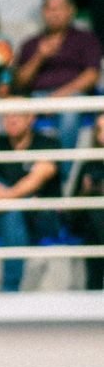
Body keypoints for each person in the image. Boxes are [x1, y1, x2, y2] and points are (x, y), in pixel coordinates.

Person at [0, 111, 62, 293]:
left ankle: (9, 289)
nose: (11, 120)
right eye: (7, 115)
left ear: (31, 118)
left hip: (41, 218)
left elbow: (37, 179)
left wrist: (7, 196)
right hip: (1, 214)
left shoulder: (47, 143)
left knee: (11, 209)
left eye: (17, 115)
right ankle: (9, 291)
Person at [13, 0, 101, 154]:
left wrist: (58, 97)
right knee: (9, 110)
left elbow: (92, 75)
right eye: (49, 8)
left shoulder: (86, 39)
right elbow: (20, 82)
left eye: (59, 8)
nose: (54, 13)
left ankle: (62, 174)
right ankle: (13, 170)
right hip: (35, 98)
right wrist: (39, 56)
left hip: (71, 96)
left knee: (69, 109)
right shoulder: (31, 44)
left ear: (71, 10)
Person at [70, 113, 104, 289]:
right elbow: (70, 213)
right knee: (95, 210)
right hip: (91, 228)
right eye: (100, 129)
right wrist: (86, 191)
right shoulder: (89, 166)